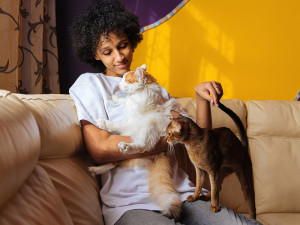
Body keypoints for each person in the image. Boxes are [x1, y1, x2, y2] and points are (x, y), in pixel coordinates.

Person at [69, 1, 261, 225]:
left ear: (131, 42)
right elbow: (101, 149)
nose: (119, 57)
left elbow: (199, 139)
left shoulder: (157, 89)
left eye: (123, 45)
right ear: (94, 54)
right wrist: (171, 140)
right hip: (131, 204)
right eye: (107, 51)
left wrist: (200, 98)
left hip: (183, 196)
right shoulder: (91, 85)